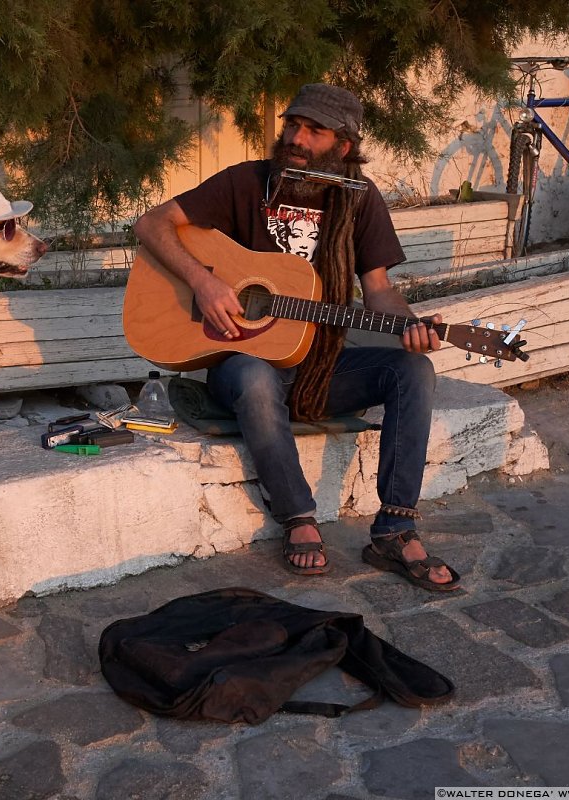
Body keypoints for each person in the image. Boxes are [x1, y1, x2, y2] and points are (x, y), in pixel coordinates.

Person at [132, 83, 459, 591]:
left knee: (414, 370)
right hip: (242, 366)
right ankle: (298, 518)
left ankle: (395, 528)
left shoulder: (359, 200)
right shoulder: (247, 183)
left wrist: (411, 326)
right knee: (255, 376)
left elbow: (378, 291)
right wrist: (204, 280)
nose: (296, 138)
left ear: (343, 146)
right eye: (292, 125)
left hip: (322, 367)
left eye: (314, 130)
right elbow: (153, 224)